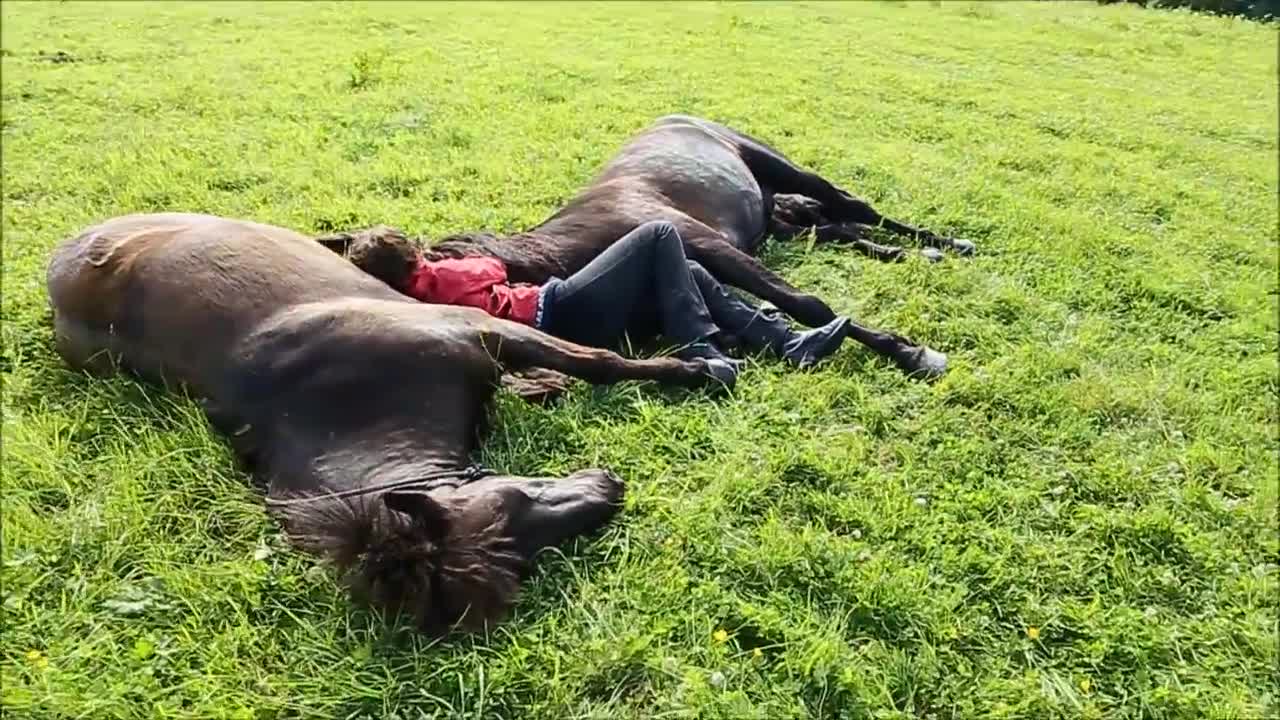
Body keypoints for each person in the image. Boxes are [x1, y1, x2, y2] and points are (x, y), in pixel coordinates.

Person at [342, 220, 851, 385]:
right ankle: (700, 344)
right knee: (657, 234)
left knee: (690, 271)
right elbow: (495, 268)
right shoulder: (437, 274)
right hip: (558, 310)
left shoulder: (407, 298)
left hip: (560, 326)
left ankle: (786, 341)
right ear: (411, 252)